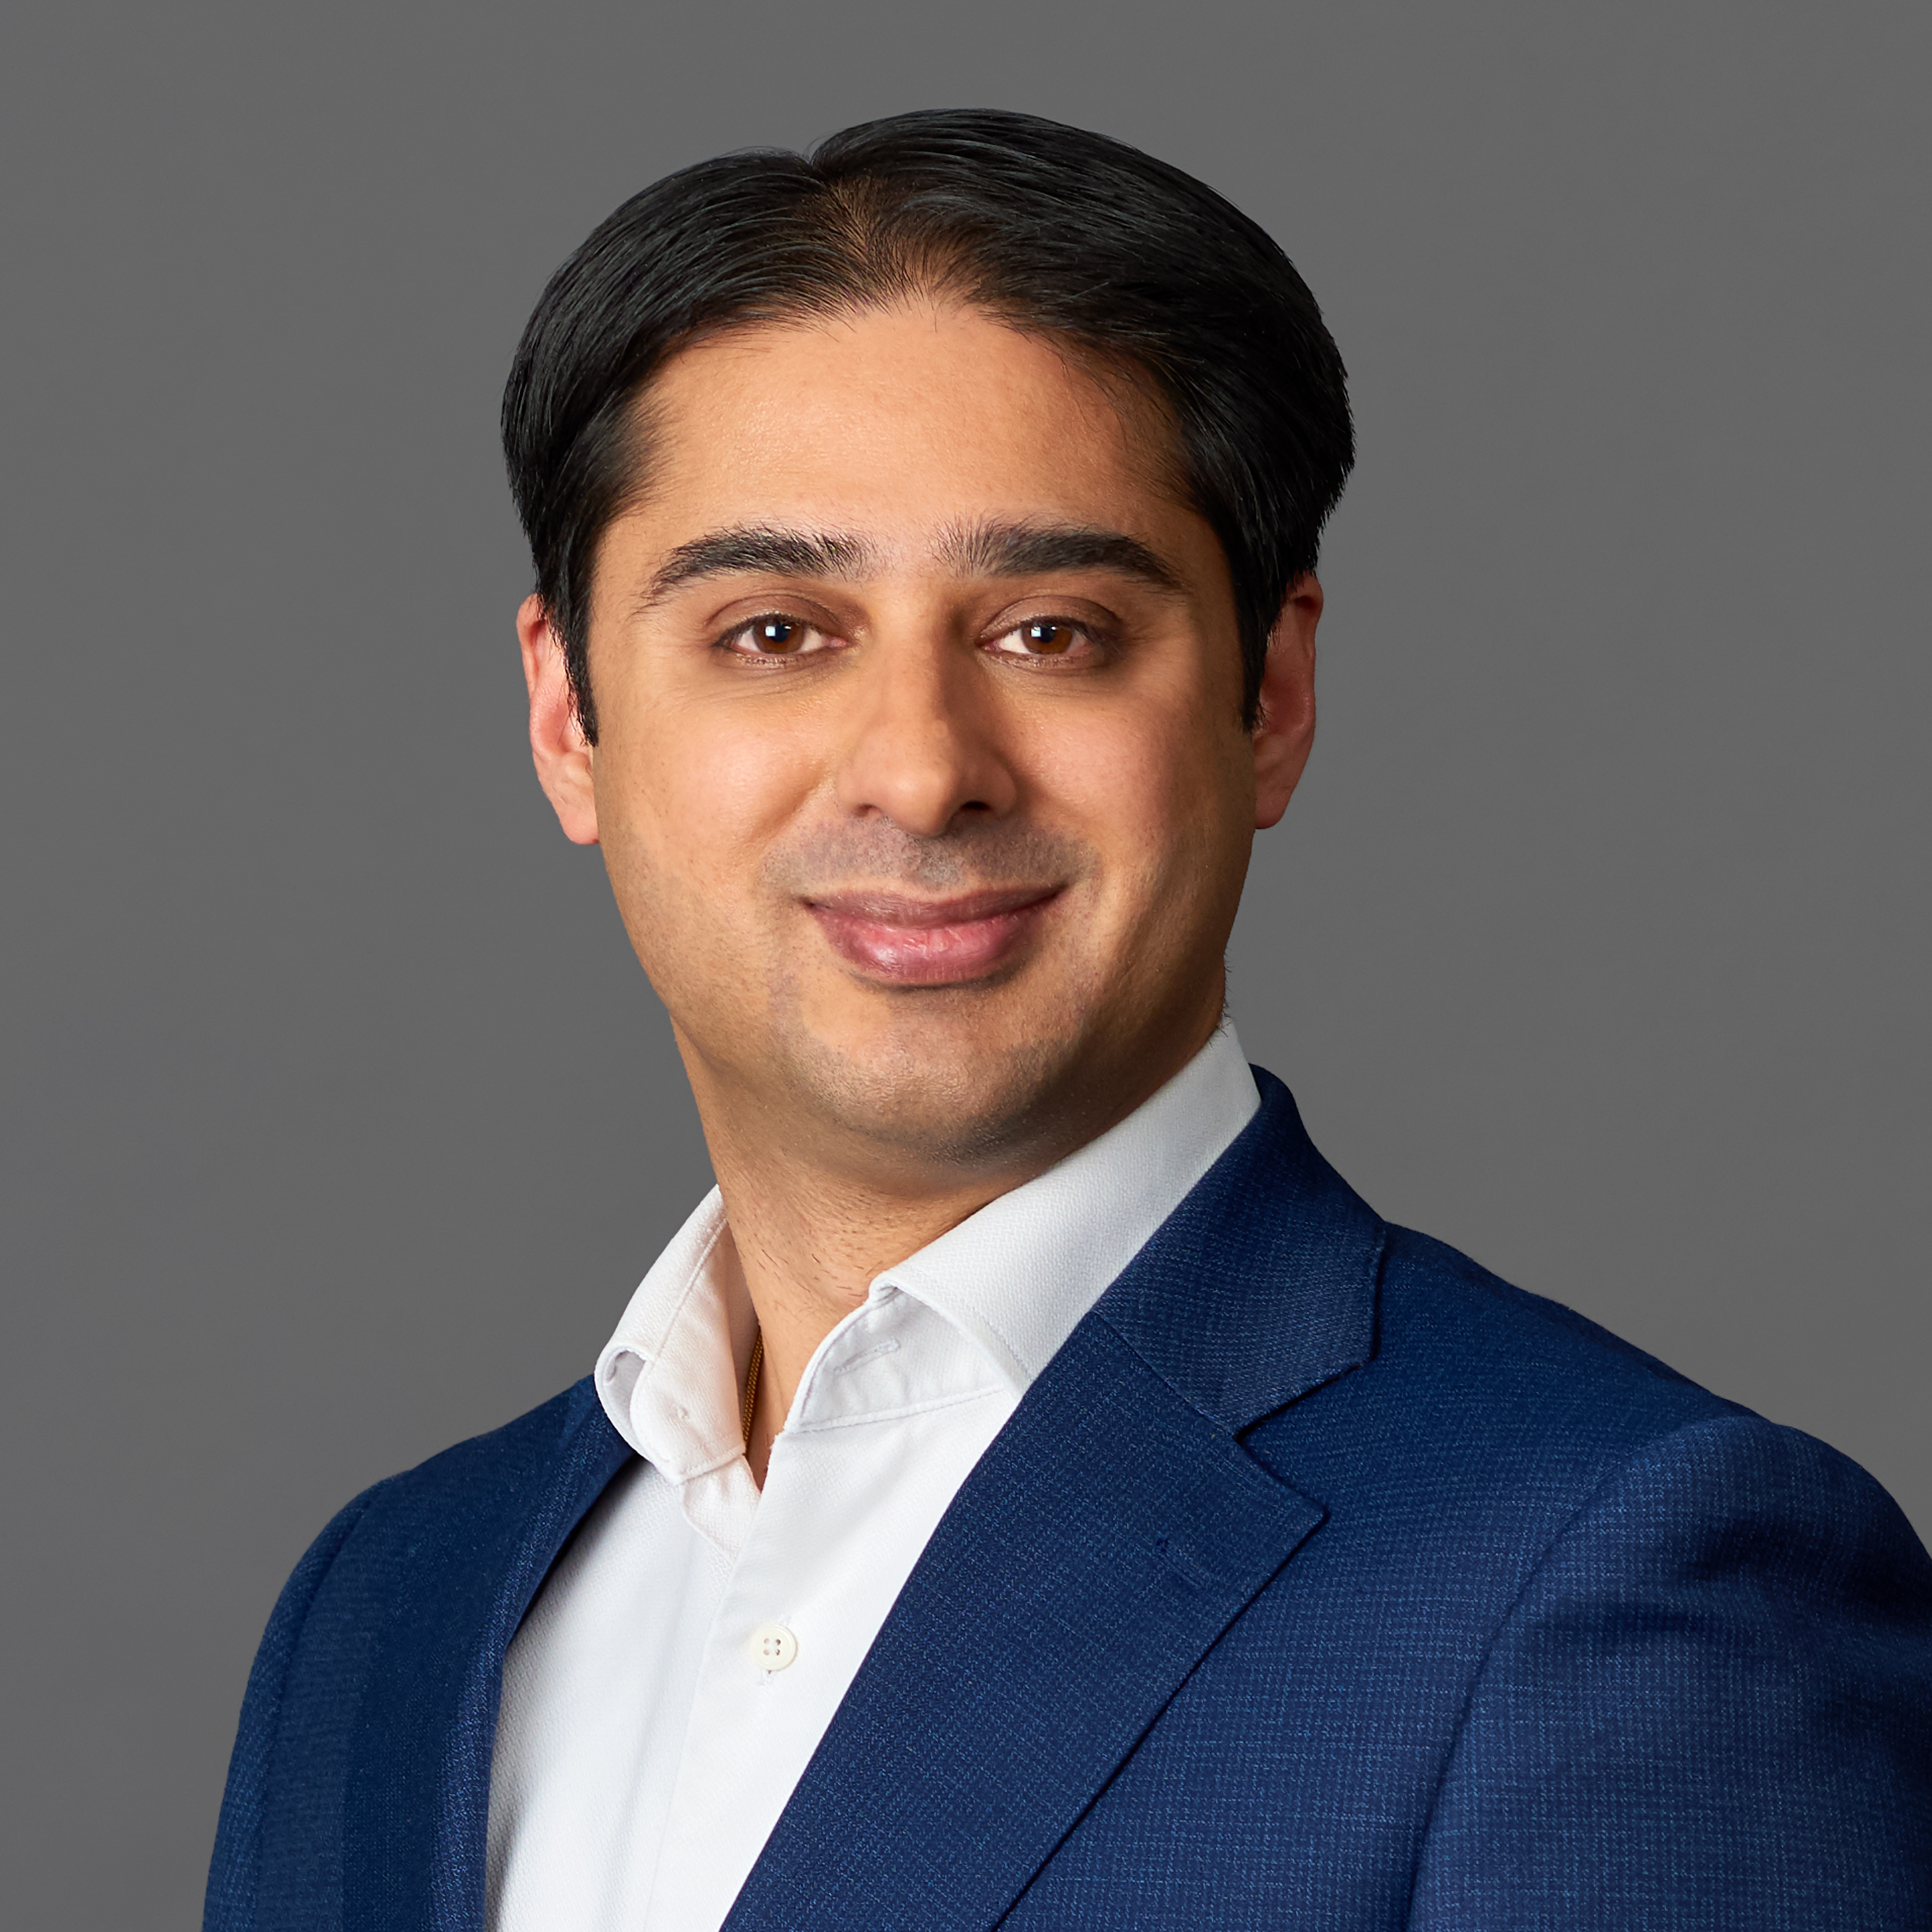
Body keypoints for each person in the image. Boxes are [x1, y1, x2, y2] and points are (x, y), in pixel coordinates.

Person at [203, 109, 1932, 1931]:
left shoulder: (1628, 1579)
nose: (921, 769)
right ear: (571, 719)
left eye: (1051, 631)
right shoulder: (385, 1611)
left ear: (1269, 694)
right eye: (774, 632)